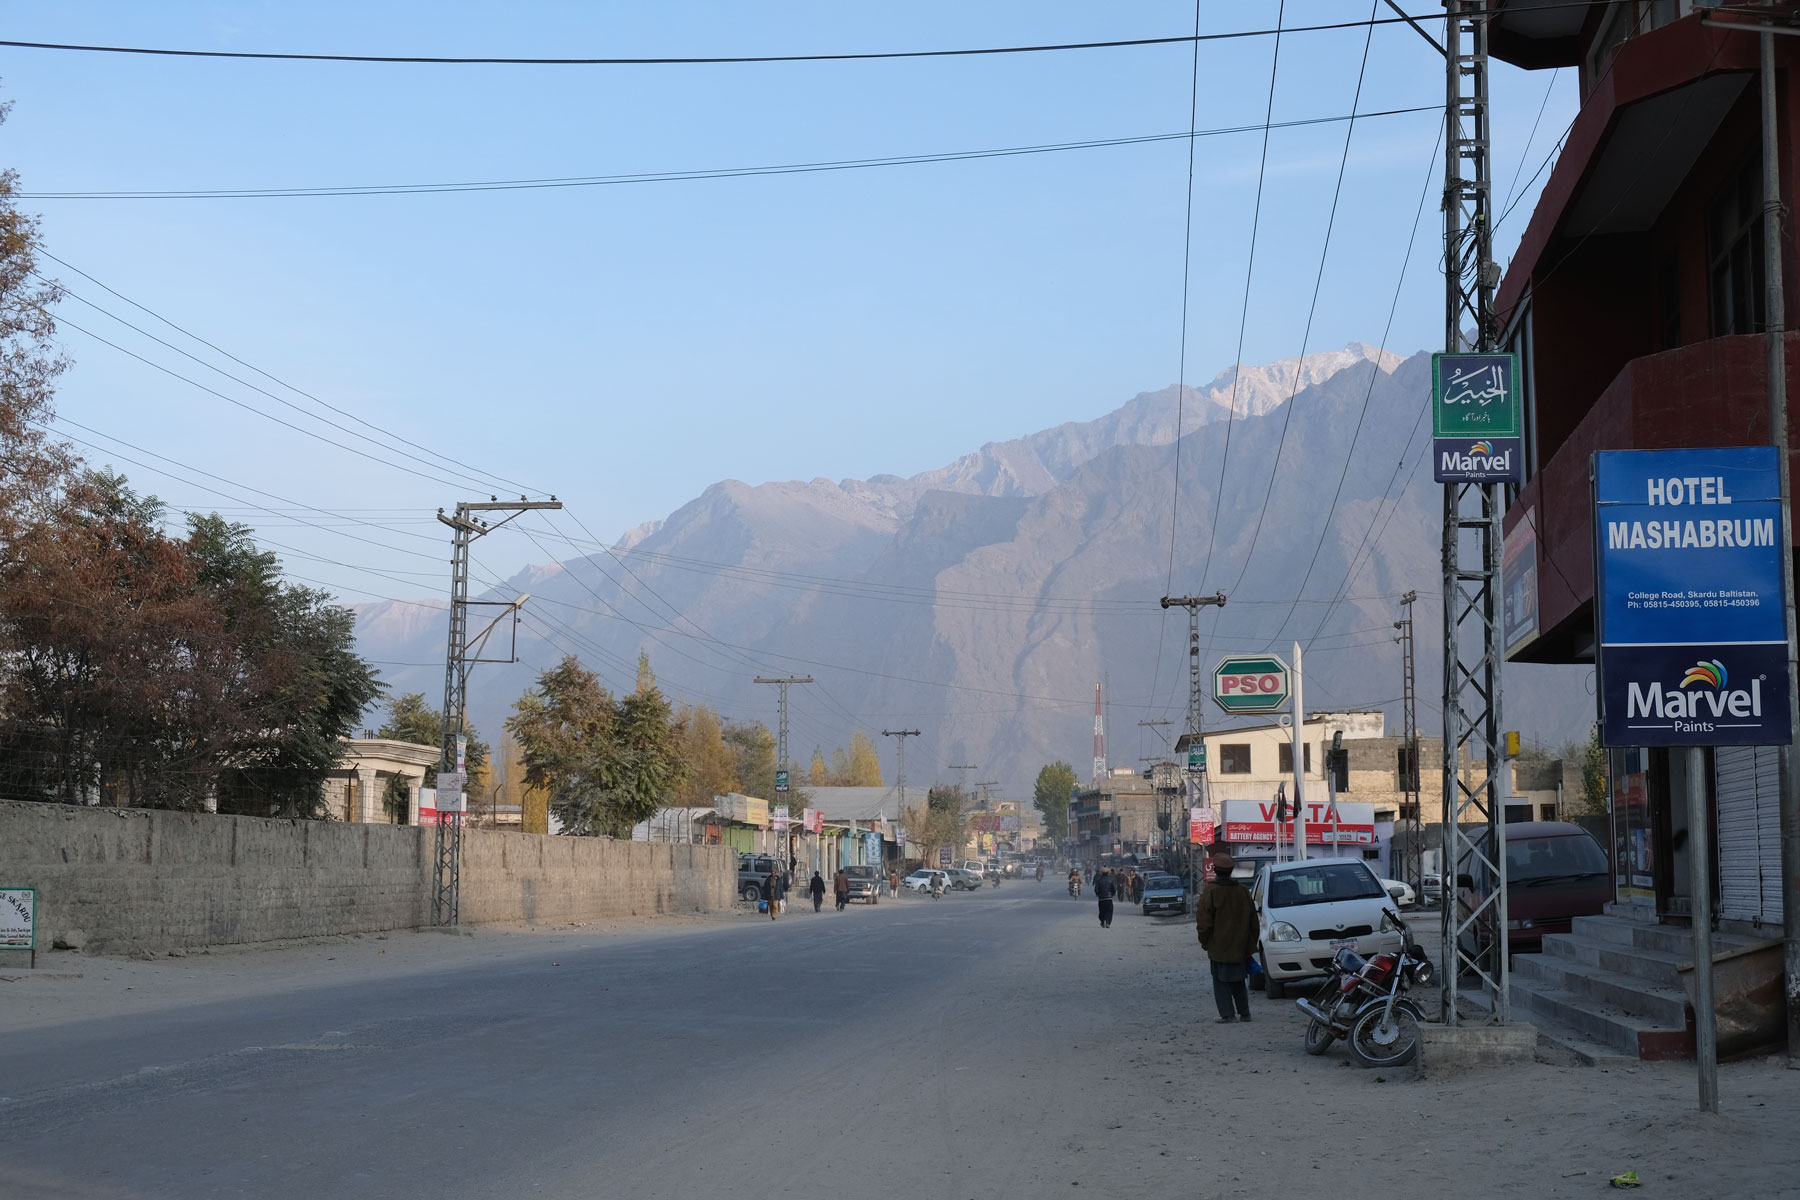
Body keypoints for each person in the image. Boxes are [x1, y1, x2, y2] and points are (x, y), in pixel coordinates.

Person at [1195, 853, 1258, 1023]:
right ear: (1231, 871)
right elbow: (1254, 920)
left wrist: (1205, 941)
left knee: (1220, 981)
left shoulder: (1211, 891)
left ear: (1215, 870)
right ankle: (1245, 1013)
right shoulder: (1243, 891)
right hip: (1240, 946)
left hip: (1218, 947)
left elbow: (1203, 921)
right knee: (1238, 980)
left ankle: (1227, 1014)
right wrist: (1250, 942)